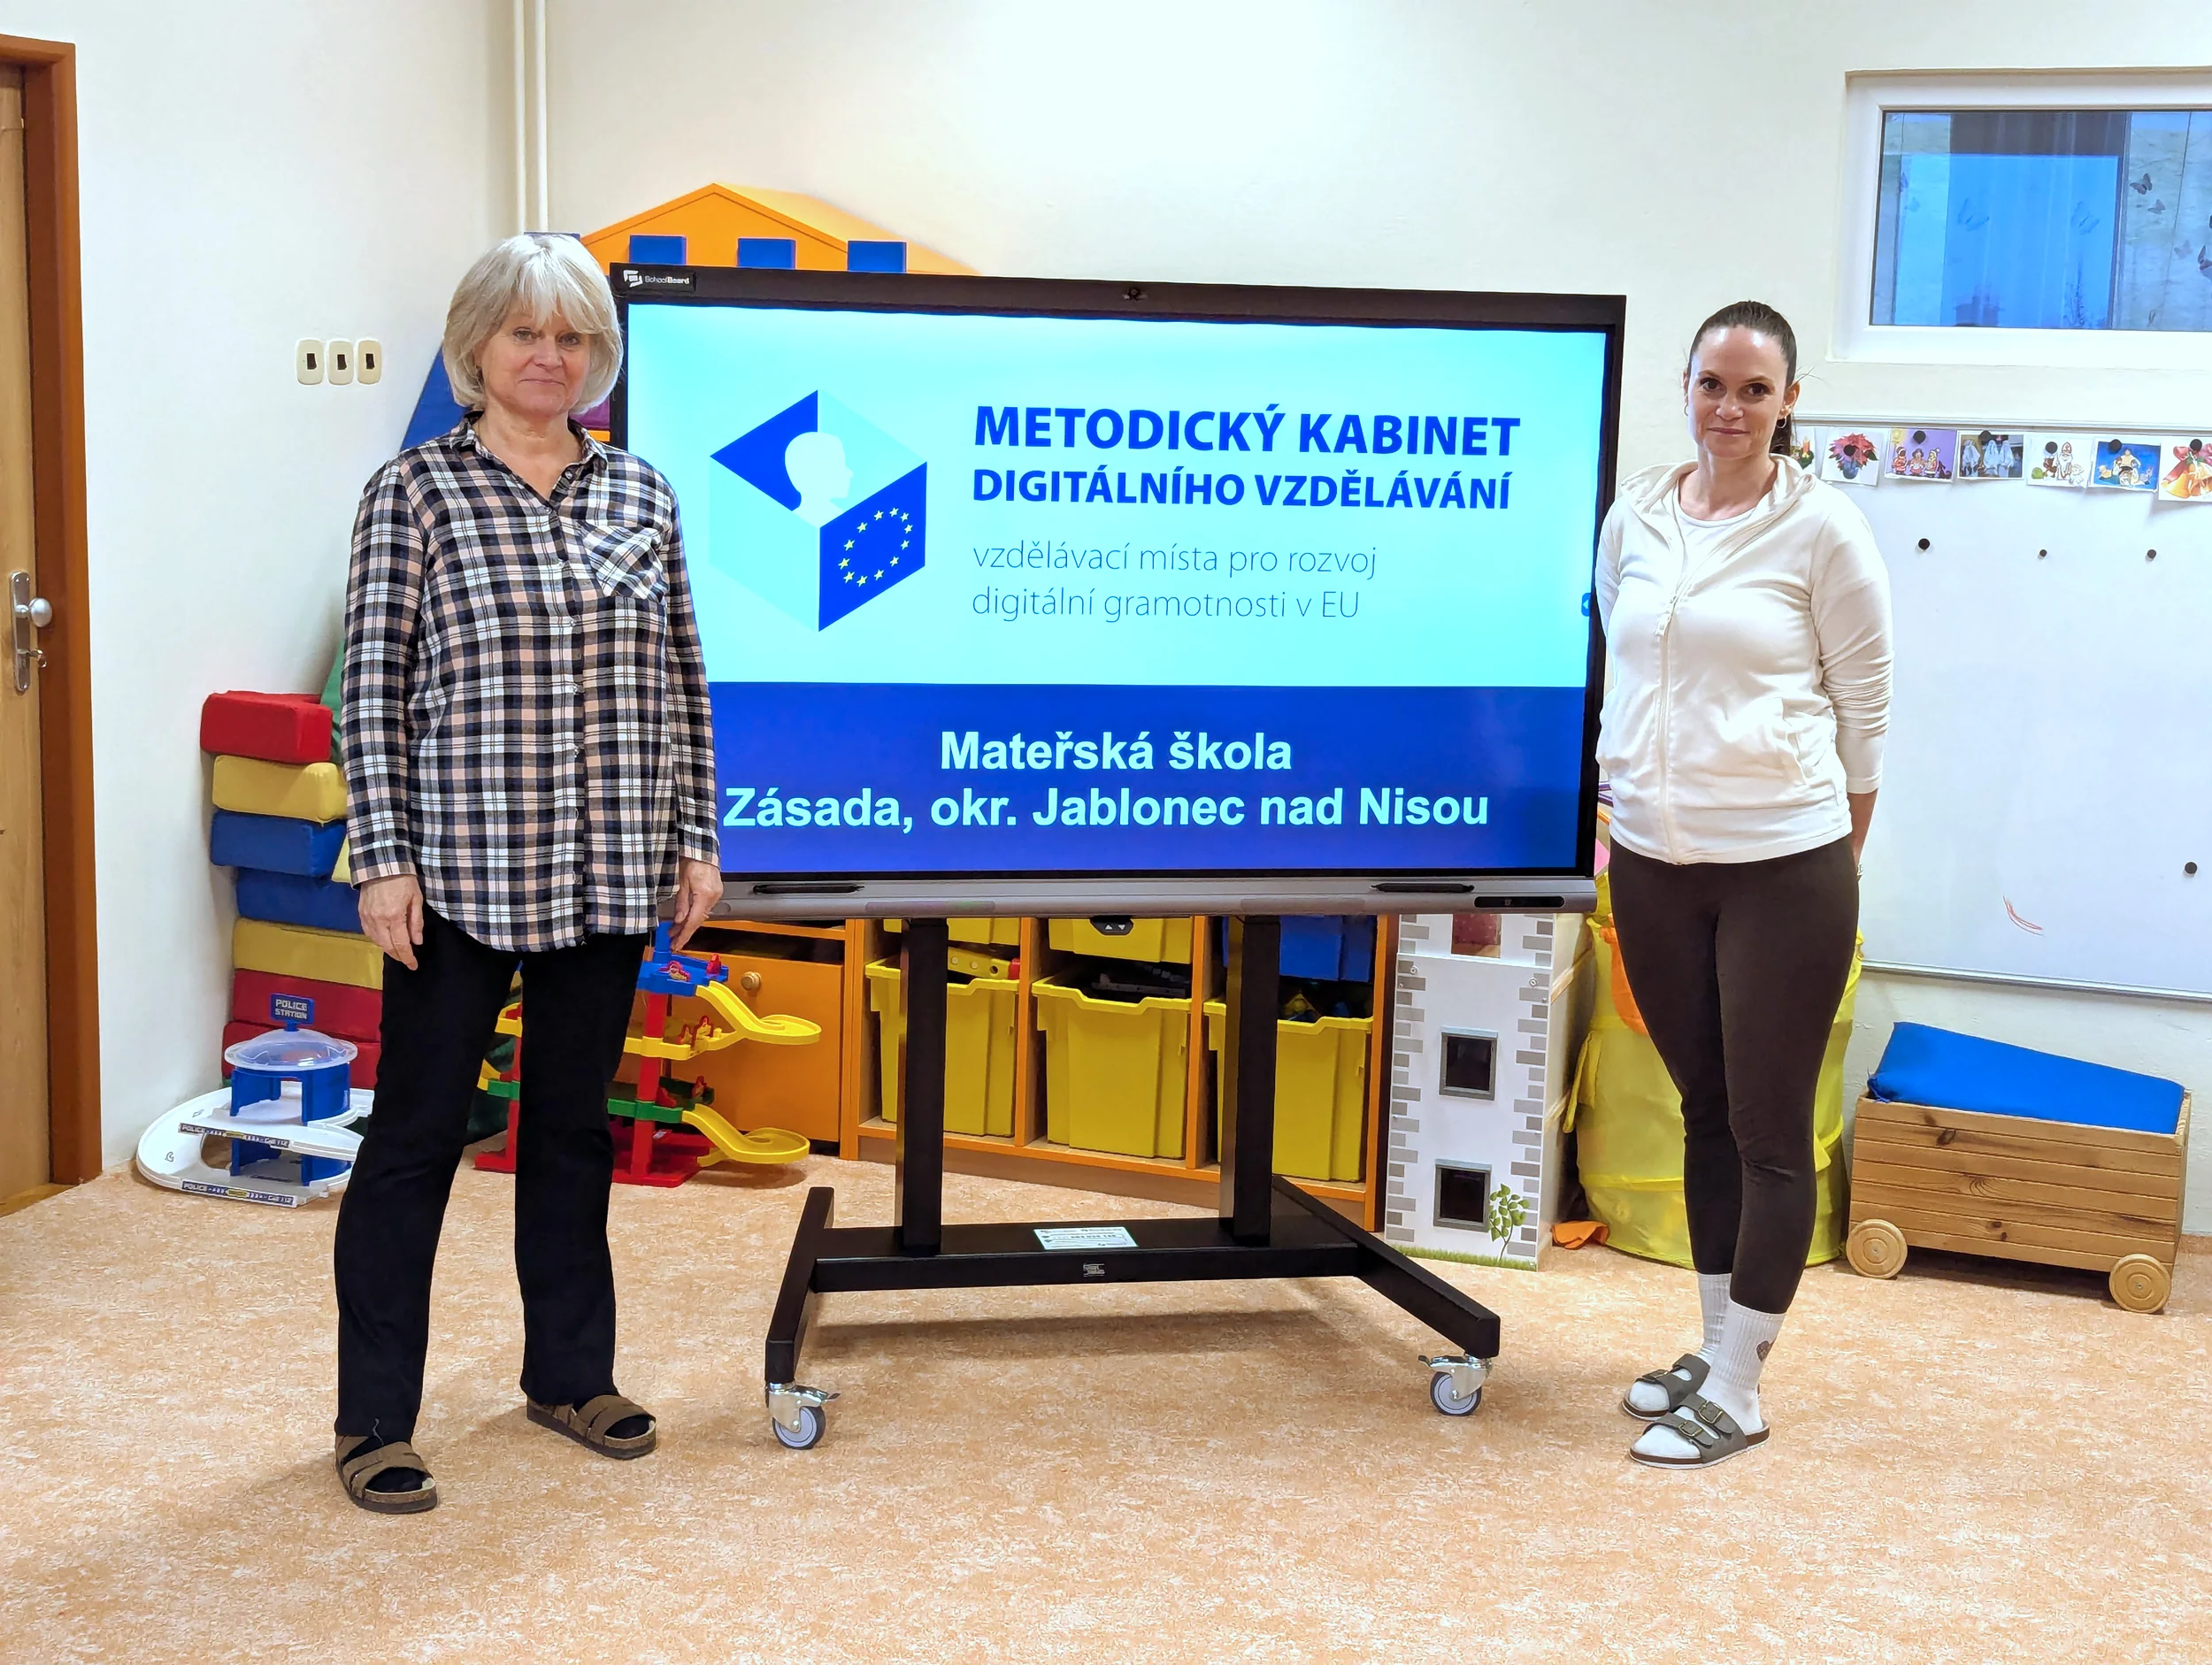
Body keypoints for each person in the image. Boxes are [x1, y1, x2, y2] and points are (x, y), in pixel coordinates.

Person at [331, 233, 723, 1514]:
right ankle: (373, 1420)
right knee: (415, 1140)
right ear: (477, 348)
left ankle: (569, 1376)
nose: (550, 357)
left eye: (572, 336)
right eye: (525, 334)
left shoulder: (642, 493)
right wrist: (381, 859)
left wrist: (696, 836)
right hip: (458, 870)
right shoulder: (415, 494)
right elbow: (371, 691)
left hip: (607, 868)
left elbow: (682, 678)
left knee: (569, 1131)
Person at [1594, 300, 1893, 1470]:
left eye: (1754, 389)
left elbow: (1865, 716)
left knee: (1771, 1132)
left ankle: (1744, 1390)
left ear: (1789, 402)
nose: (1729, 408)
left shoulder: (1823, 530)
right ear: (1686, 386)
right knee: (1704, 1111)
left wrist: (1835, 862)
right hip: (1654, 865)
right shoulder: (1638, 514)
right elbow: (1620, 667)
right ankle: (1716, 1349)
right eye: (1712, 384)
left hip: (1783, 867)